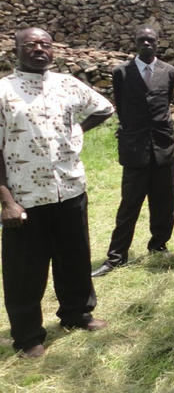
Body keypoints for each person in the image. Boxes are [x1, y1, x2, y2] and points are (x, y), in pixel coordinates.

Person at [0, 28, 113, 358]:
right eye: (30, 44)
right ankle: (28, 336)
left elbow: (103, 107)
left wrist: (76, 129)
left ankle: (77, 315)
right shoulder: (4, 91)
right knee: (25, 271)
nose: (38, 49)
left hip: (70, 188)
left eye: (44, 44)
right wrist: (6, 201)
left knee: (74, 259)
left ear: (53, 49)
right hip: (25, 197)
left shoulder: (67, 84)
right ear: (16, 50)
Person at [92, 26, 174, 277]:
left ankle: (158, 245)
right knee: (129, 204)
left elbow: (167, 102)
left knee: (165, 202)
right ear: (136, 43)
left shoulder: (168, 71)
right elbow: (120, 105)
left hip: (163, 146)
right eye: (142, 40)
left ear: (158, 43)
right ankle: (116, 256)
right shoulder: (121, 72)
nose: (147, 44)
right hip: (135, 148)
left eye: (151, 40)